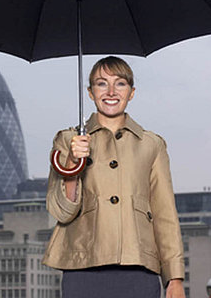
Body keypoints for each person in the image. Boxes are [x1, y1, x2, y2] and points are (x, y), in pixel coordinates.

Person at [42, 56, 185, 298]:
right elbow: (61, 212)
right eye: (101, 83)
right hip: (82, 268)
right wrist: (72, 165)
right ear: (89, 92)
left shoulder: (152, 145)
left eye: (120, 83)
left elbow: (165, 214)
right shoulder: (68, 140)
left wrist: (175, 277)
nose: (110, 91)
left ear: (131, 92)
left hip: (139, 269)